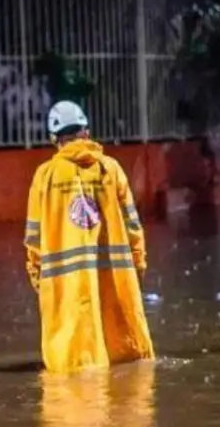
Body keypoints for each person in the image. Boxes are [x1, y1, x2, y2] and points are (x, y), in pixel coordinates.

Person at [24, 101, 155, 374]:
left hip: (64, 291)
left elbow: (33, 241)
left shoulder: (44, 177)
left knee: (73, 373)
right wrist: (137, 270)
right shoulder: (111, 169)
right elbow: (134, 229)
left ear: (53, 138)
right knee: (129, 371)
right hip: (117, 285)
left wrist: (39, 280)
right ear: (87, 131)